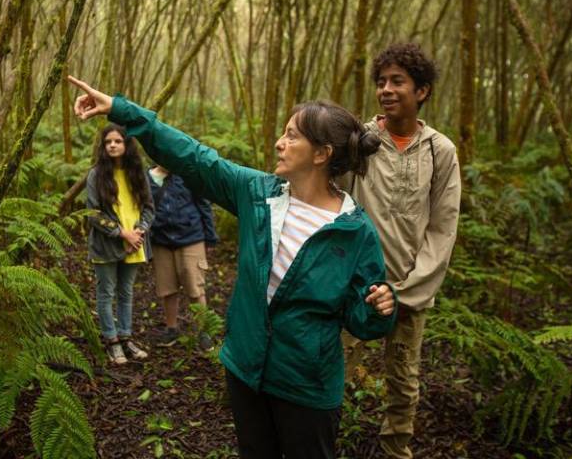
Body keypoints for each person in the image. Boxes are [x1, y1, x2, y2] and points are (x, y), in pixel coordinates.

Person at [69, 75, 396, 459]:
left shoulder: (355, 232)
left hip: (308, 385)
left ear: (321, 154)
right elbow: (193, 156)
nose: (279, 142)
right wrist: (123, 111)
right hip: (246, 370)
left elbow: (363, 319)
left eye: (292, 136)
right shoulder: (258, 194)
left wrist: (379, 308)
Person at [342, 43, 461, 458]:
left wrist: (406, 291)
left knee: (403, 383)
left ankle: (396, 451)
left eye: (398, 81)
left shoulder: (439, 150)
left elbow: (443, 227)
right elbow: (332, 198)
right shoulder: (360, 139)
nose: (386, 90)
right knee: (331, 372)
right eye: (381, 82)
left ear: (422, 91)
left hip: (409, 291)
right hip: (354, 287)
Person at [85, 123, 154, 365]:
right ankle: (111, 341)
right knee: (106, 294)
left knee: (126, 293)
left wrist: (139, 232)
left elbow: (149, 208)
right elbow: (92, 213)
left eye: (118, 141)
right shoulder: (96, 174)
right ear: (103, 147)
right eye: (108, 142)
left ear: (126, 145)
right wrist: (121, 233)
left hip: (135, 244)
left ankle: (126, 338)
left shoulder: (137, 173)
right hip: (106, 245)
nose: (113, 145)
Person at [147, 164, 219, 350]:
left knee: (195, 287)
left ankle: (202, 331)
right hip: (160, 240)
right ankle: (171, 329)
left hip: (191, 237)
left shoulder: (189, 174)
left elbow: (204, 205)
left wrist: (210, 237)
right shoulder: (147, 178)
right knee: (167, 288)